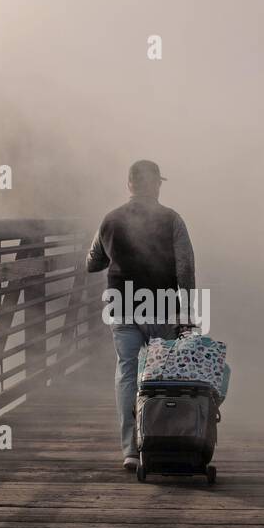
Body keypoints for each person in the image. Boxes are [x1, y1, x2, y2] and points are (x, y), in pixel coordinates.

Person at [85, 159, 195, 471]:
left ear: (129, 184)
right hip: (160, 306)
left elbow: (93, 263)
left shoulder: (110, 220)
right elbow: (185, 267)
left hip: (121, 307)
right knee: (162, 375)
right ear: (156, 184)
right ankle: (161, 440)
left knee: (127, 374)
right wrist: (186, 312)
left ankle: (130, 450)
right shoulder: (172, 219)